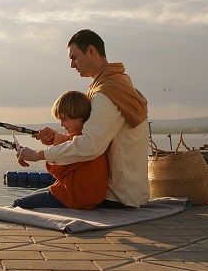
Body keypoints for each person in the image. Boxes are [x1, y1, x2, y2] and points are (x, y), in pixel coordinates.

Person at [16, 29, 150, 208]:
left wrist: (37, 155)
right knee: (41, 195)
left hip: (117, 197)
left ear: (92, 51)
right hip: (129, 193)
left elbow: (90, 146)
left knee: (20, 205)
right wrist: (59, 138)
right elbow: (93, 136)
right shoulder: (119, 84)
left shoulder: (106, 93)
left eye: (74, 57)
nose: (72, 65)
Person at [12, 90, 108, 210]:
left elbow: (56, 172)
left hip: (74, 197)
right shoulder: (88, 139)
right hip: (89, 197)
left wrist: (56, 144)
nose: (62, 124)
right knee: (33, 195)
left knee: (18, 203)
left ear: (80, 116)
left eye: (64, 119)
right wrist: (57, 139)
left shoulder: (81, 144)